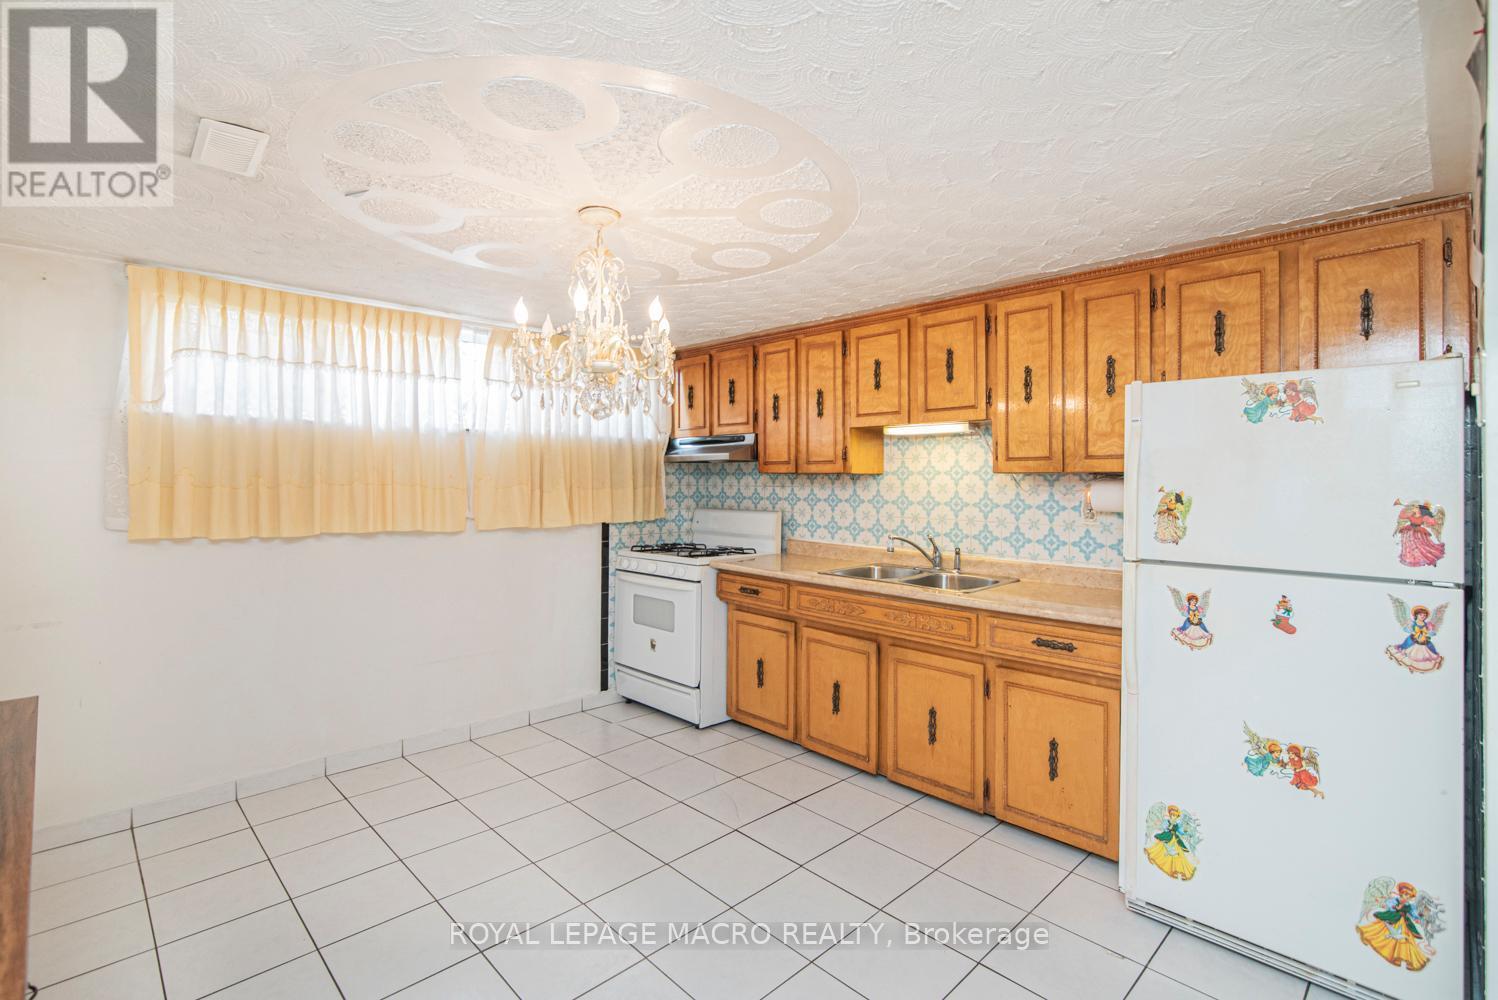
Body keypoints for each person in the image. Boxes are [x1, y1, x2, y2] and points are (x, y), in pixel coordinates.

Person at [1357, 882, 1432, 972]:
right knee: (1382, 932)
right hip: (1392, 918)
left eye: (1409, 896)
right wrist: (1396, 907)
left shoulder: (1409, 906)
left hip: (1404, 924)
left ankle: (1401, 955)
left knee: (1406, 941)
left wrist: (1422, 914)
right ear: (1401, 894)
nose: (1407, 897)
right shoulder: (1395, 900)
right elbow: (1389, 906)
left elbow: (1414, 915)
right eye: (1406, 895)